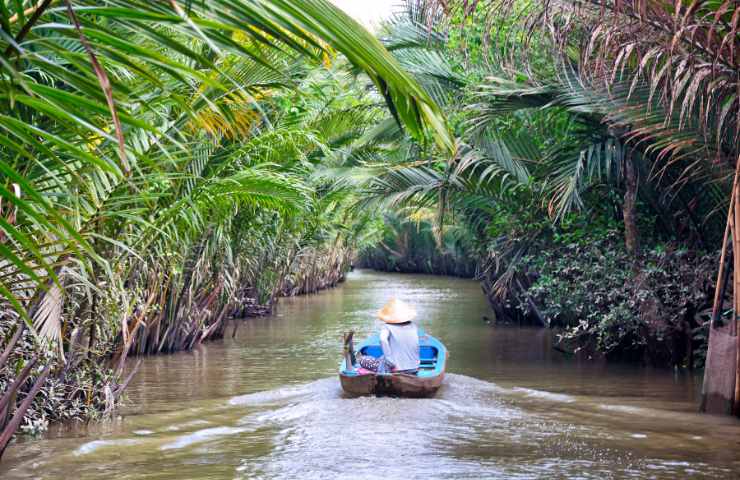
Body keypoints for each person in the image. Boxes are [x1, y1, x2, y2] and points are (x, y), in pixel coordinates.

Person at [358, 298, 420, 374]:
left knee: (363, 360)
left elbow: (382, 340)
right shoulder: (413, 326)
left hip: (396, 368)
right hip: (414, 367)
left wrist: (390, 362)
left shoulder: (387, 327)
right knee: (381, 358)